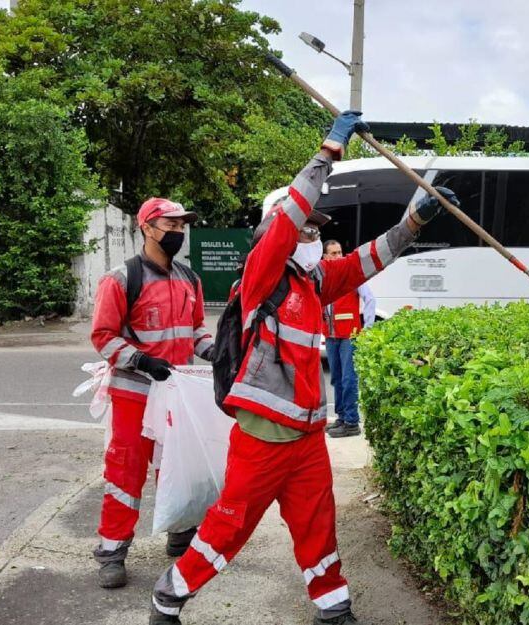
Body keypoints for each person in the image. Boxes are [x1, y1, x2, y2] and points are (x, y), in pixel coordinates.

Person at [149, 111, 458, 625]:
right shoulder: (262, 273)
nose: (314, 235)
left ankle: (333, 608)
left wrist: (413, 224)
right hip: (264, 439)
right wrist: (327, 153)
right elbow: (293, 211)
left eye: (317, 229)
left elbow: (365, 261)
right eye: (307, 228)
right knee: (229, 528)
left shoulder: (313, 282)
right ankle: (169, 598)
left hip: (307, 436)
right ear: (282, 232)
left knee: (319, 527)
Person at [90, 197, 214, 589]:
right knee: (126, 473)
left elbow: (196, 331)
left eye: (181, 227)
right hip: (134, 394)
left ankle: (179, 532)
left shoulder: (188, 278)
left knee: (177, 466)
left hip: (175, 393)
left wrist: (215, 353)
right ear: (146, 227)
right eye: (170, 226)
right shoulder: (121, 278)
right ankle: (112, 552)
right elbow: (103, 337)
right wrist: (142, 362)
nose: (178, 233)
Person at [321, 240, 376, 438]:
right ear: (325, 257)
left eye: (340, 252)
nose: (338, 257)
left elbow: (370, 299)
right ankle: (342, 418)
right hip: (331, 335)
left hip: (349, 336)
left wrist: (367, 330)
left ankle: (352, 422)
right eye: (333, 254)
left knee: (348, 379)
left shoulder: (351, 276)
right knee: (336, 379)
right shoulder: (323, 276)